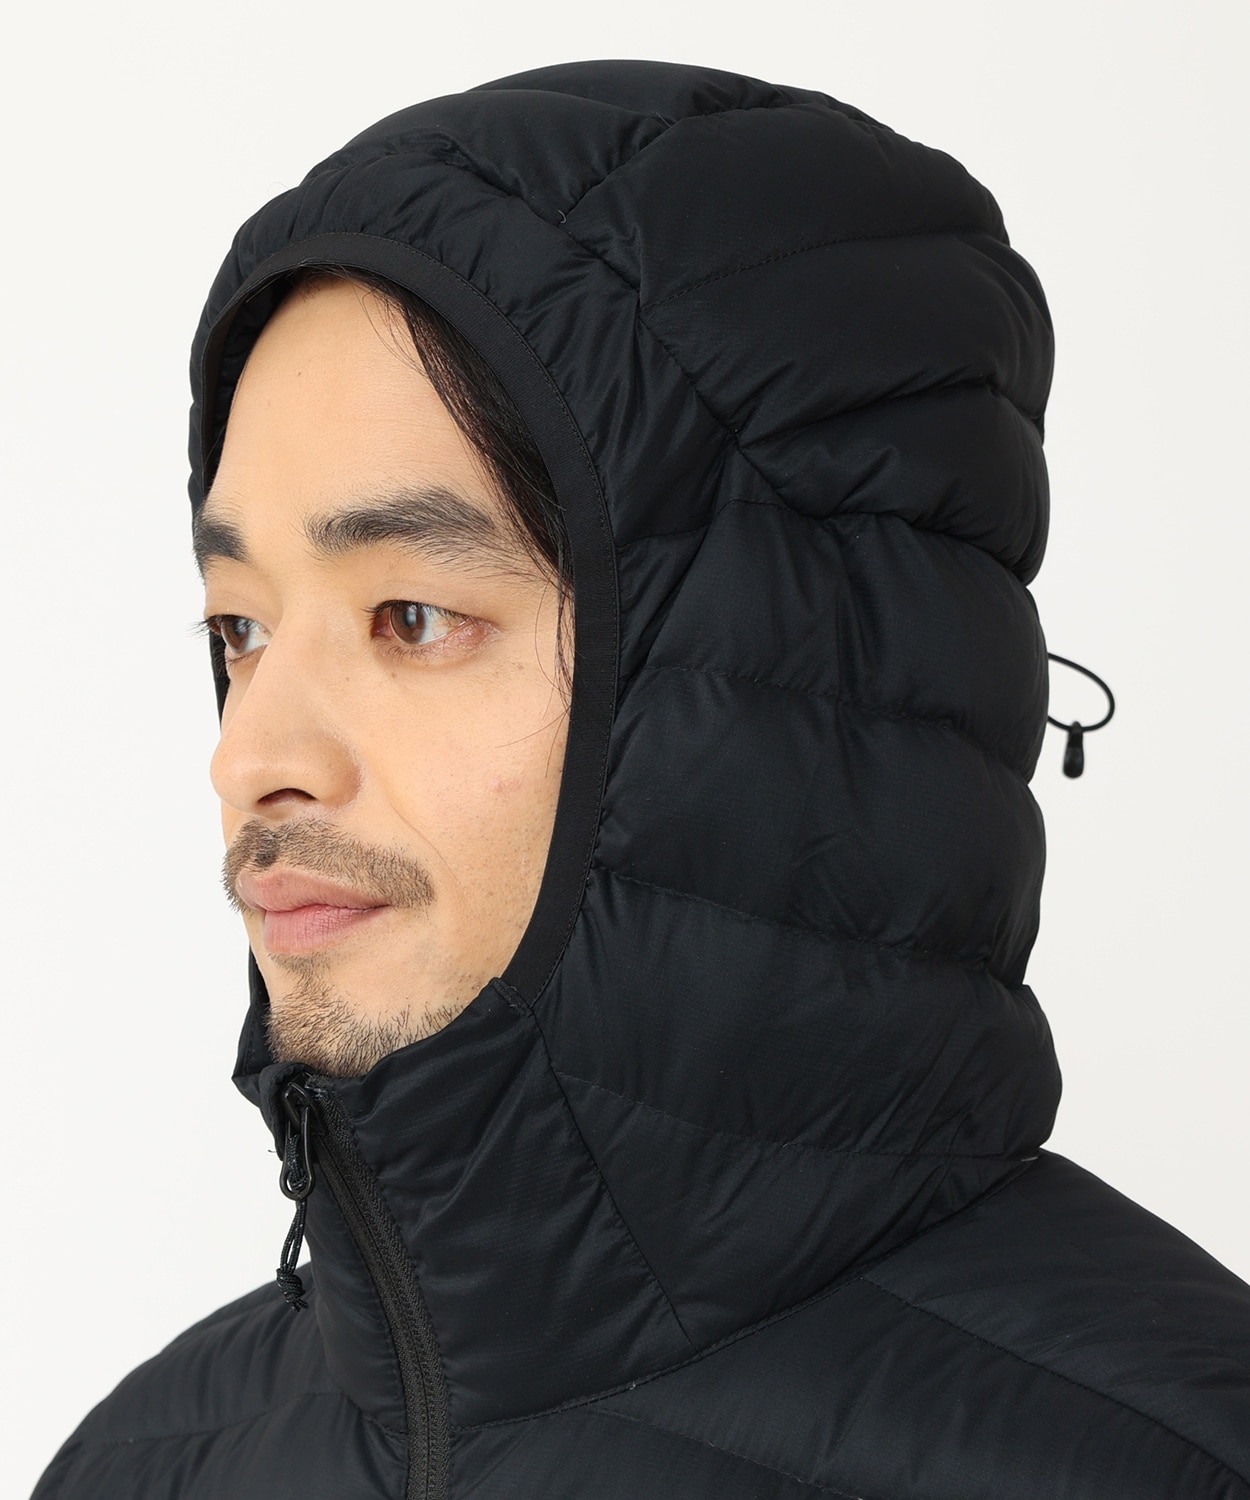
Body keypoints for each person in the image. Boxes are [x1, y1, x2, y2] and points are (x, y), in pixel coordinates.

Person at [34, 58, 1250, 1500]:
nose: (251, 760)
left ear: (766, 680)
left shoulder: (1162, 1464)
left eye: (410, 618)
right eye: (239, 628)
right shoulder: (141, 1467)